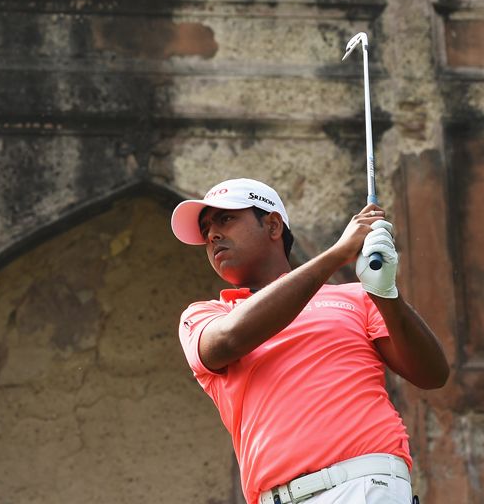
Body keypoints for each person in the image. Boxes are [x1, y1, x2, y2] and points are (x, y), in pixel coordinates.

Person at [172, 178, 449, 504]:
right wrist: (336, 254)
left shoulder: (356, 297)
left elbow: (432, 375)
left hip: (363, 485)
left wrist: (386, 293)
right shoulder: (207, 315)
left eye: (226, 219)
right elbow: (227, 342)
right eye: (206, 229)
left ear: (273, 226)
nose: (212, 235)